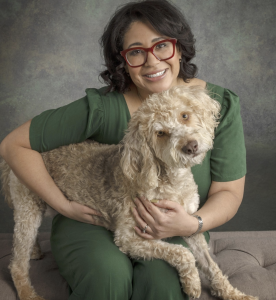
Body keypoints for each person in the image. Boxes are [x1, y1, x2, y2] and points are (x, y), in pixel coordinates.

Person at [0, 1, 246, 299]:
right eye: (136, 51)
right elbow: (13, 144)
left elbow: (229, 193)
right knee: (107, 276)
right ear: (122, 61)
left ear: (179, 47)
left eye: (162, 46)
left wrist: (193, 223)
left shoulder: (217, 104)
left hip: (176, 225)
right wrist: (62, 205)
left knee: (166, 284)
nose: (152, 62)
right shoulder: (102, 107)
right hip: (93, 219)